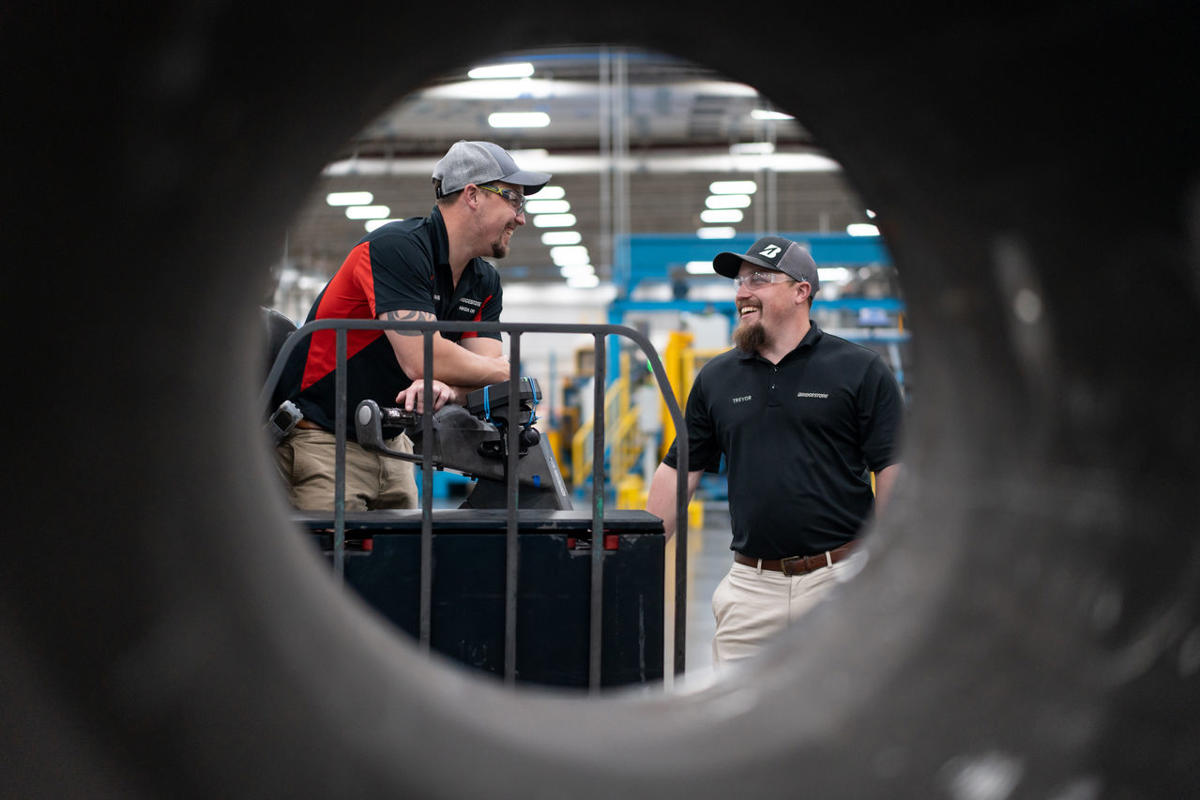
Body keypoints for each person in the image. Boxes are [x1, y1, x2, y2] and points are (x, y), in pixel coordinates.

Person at [645, 235, 904, 668]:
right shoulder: (718, 377)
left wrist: (888, 563)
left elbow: (893, 467)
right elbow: (679, 471)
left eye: (759, 280)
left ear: (801, 291)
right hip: (751, 586)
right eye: (740, 282)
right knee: (735, 723)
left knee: (841, 718)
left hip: (838, 577)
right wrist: (640, 555)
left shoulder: (859, 369)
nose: (743, 292)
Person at [273, 140, 551, 510]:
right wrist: (490, 369)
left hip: (392, 445)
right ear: (472, 195)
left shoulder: (483, 281)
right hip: (324, 443)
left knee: (400, 564)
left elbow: (484, 382)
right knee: (327, 565)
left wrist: (448, 387)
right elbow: (424, 359)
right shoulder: (395, 250)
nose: (521, 217)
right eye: (513, 199)